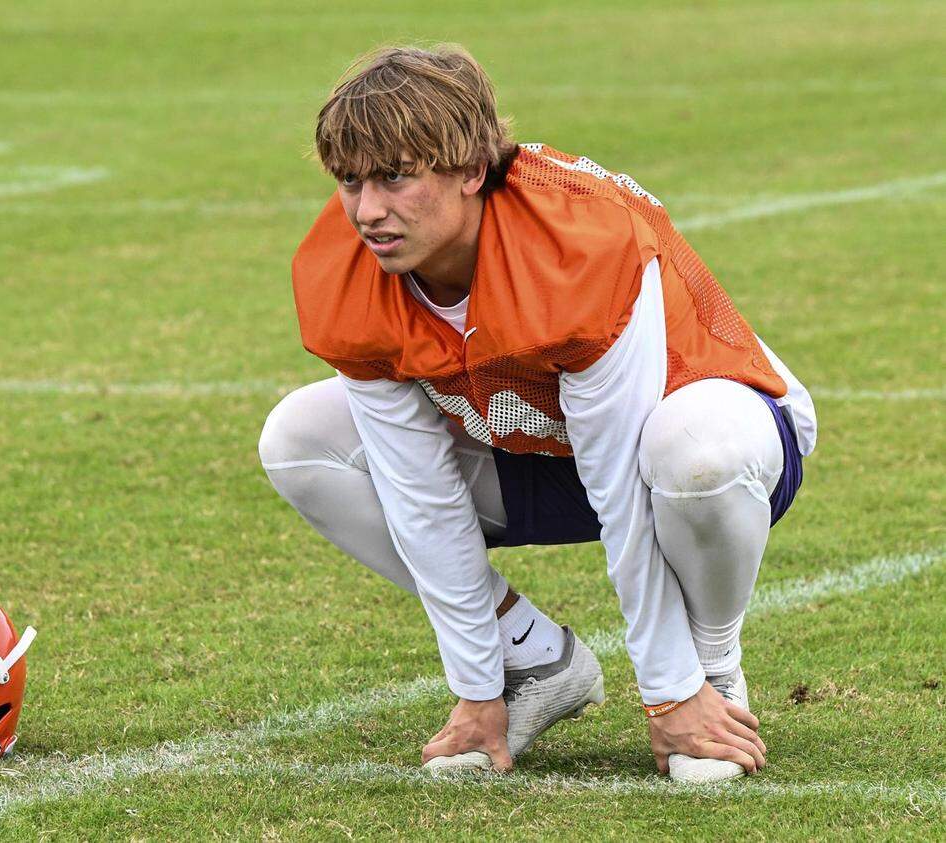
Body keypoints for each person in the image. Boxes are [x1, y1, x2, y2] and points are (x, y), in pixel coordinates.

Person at [258, 44, 816, 782]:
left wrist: (669, 691)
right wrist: (476, 683)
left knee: (692, 450)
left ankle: (711, 674)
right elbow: (418, 492)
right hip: (532, 444)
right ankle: (533, 660)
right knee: (299, 437)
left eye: (396, 176)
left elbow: (620, 482)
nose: (367, 210)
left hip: (710, 440)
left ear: (470, 169)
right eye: (351, 180)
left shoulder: (574, 243)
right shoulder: (347, 268)